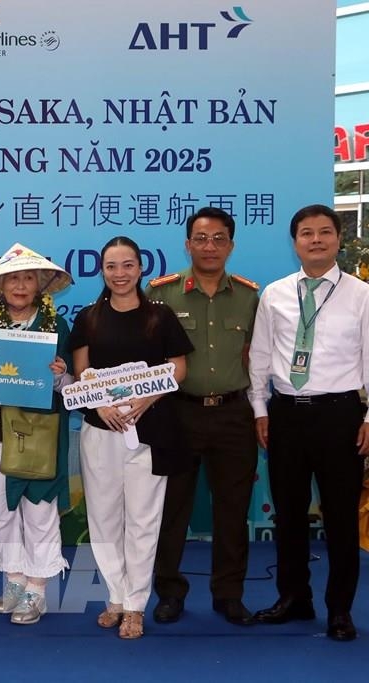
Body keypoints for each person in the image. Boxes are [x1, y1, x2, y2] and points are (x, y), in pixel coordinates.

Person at [247, 204, 369, 642]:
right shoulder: (275, 294)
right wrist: (261, 410)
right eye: (305, 233)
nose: (315, 240)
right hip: (286, 415)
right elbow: (260, 357)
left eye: (324, 232)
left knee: (339, 518)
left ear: (338, 239)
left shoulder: (361, 294)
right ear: (294, 241)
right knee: (290, 515)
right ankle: (294, 598)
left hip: (341, 415)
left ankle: (340, 610)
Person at [68, 235, 192, 639]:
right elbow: (83, 372)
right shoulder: (88, 318)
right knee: (103, 519)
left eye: (127, 265)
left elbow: (178, 368)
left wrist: (148, 398)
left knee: (143, 520)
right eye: (111, 266)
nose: (119, 274)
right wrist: (98, 403)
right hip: (100, 430)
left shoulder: (161, 316)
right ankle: (115, 598)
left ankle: (136, 604)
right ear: (101, 271)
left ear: (141, 268)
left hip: (151, 429)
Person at [147, 207, 260, 627]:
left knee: (233, 509)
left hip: (234, 414)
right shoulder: (162, 294)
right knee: (172, 508)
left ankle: (229, 594)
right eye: (200, 238)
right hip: (178, 413)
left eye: (218, 238)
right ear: (187, 243)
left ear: (230, 244)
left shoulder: (250, 296)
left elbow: (259, 359)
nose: (209, 246)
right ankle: (170, 592)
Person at [0, 243, 74, 625]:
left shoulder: (56, 326)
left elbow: (71, 387)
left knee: (39, 509)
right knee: (1, 511)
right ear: (0, 286)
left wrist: (60, 376)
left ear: (39, 284)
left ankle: (37, 588)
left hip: (38, 433)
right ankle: (13, 579)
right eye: (12, 279)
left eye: (27, 278)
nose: (20, 286)